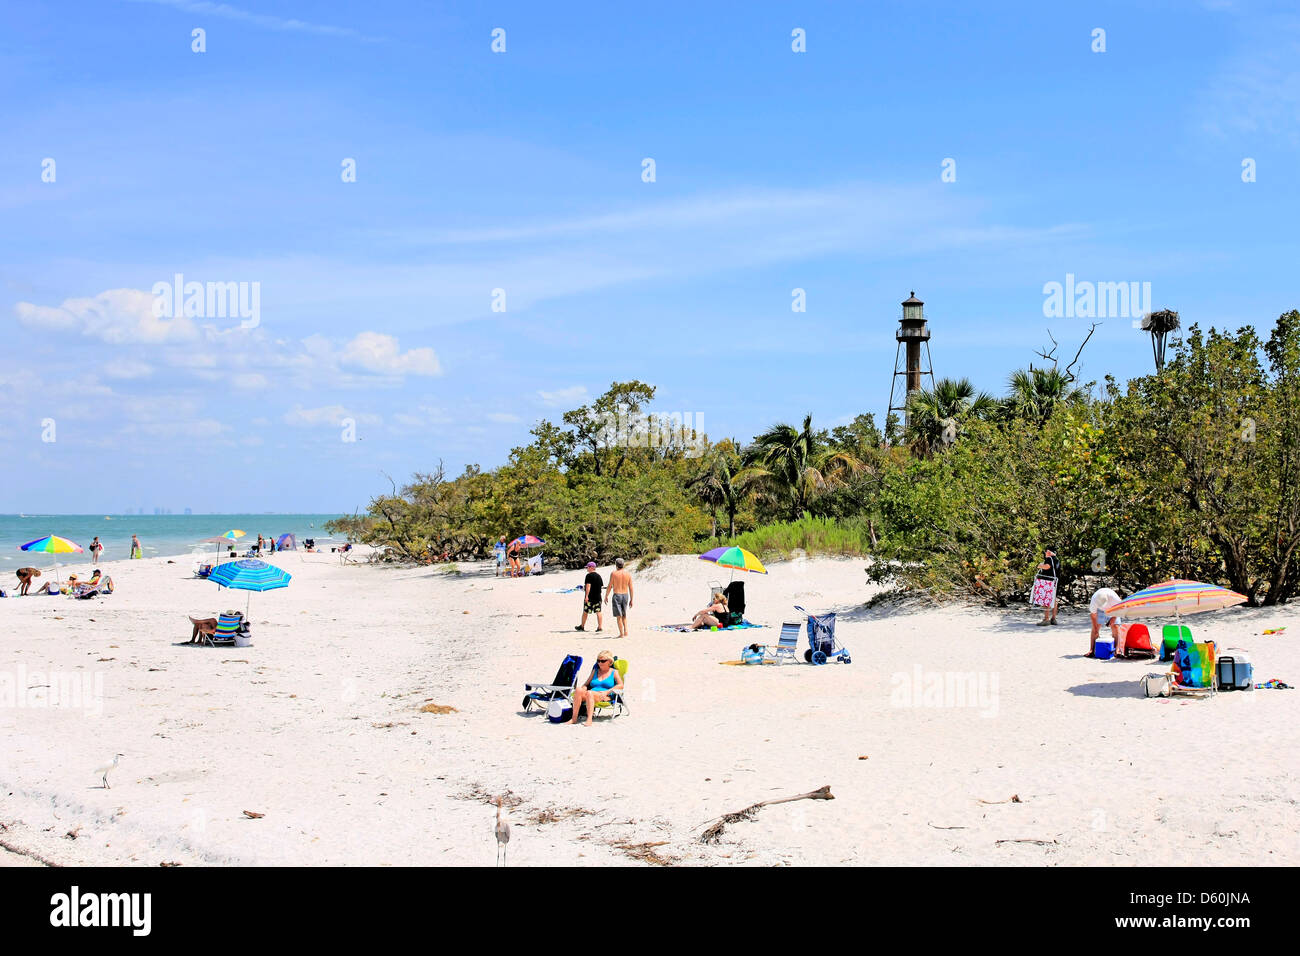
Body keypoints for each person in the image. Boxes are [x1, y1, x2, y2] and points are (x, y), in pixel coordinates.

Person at [568, 651, 623, 727]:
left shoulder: (614, 672)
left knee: (590, 693)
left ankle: (589, 719)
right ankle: (574, 718)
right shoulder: (595, 671)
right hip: (590, 694)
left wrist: (607, 692)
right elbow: (586, 684)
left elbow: (621, 685)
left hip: (604, 696)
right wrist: (583, 688)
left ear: (610, 662)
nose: (600, 663)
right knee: (578, 689)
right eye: (598, 661)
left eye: (603, 661)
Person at [1088, 587, 1122, 657]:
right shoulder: (1094, 601)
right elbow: (1093, 616)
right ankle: (1092, 650)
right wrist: (1096, 629)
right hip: (1099, 610)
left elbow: (1121, 608)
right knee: (1095, 628)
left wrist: (1114, 617)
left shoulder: (1114, 598)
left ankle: (1117, 650)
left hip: (1113, 608)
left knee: (1116, 626)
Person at [606, 557, 634, 638]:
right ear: (623, 565)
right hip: (625, 595)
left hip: (617, 595)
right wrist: (632, 599)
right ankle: (626, 631)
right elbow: (631, 588)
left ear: (616, 565)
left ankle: (621, 633)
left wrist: (606, 595)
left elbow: (610, 586)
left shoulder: (614, 573)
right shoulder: (628, 574)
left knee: (619, 616)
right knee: (624, 615)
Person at [576, 562, 603, 632]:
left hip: (590, 597)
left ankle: (582, 626)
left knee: (585, 612)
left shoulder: (588, 576)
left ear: (591, 567)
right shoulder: (599, 576)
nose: (587, 569)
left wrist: (586, 596)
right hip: (598, 597)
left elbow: (588, 586)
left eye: (587, 567)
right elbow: (600, 587)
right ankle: (600, 627)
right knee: (598, 612)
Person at [1035, 548, 1060, 626]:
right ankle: (1053, 618)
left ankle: (1046, 619)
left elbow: (1047, 566)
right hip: (1055, 581)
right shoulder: (1056, 560)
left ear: (1049, 552)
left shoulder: (1049, 559)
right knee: (1054, 600)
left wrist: (1039, 565)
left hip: (1048, 582)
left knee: (1047, 600)